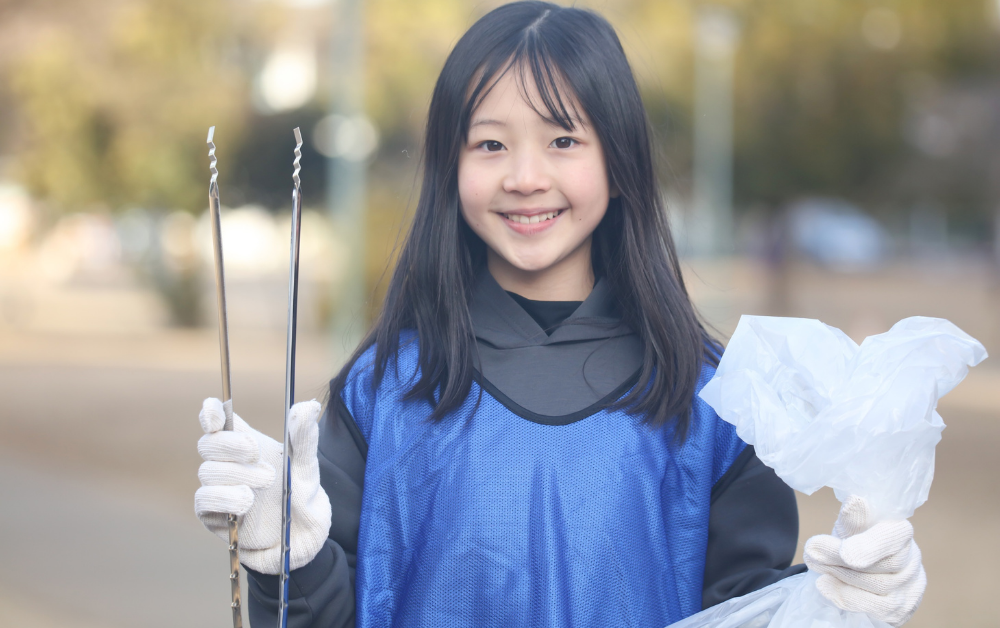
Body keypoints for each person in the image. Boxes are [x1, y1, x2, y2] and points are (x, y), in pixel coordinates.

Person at [194, 3, 926, 626]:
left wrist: (838, 601)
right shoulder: (384, 388)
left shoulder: (715, 404)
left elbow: (744, 607)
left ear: (619, 159)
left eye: (564, 139)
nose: (524, 176)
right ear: (450, 166)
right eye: (489, 143)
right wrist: (286, 562)